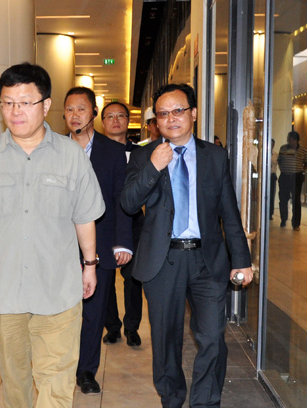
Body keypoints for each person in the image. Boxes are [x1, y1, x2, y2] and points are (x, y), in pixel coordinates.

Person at [0, 62, 105, 408]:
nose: (15, 111)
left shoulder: (72, 157)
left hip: (59, 292)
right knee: (15, 379)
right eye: (7, 103)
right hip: (5, 296)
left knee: (56, 381)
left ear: (46, 105)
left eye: (24, 102)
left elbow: (84, 218)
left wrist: (90, 265)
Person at [121, 83, 253, 408]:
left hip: (207, 261)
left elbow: (229, 212)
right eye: (163, 114)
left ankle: (205, 402)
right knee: (166, 340)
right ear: (156, 121)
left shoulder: (215, 156)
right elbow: (127, 203)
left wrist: (241, 259)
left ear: (193, 113)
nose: (171, 119)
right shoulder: (143, 156)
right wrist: (154, 167)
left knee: (212, 338)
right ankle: (172, 398)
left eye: (178, 110)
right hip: (163, 261)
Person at [62, 87, 132, 394]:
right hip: (59, 246)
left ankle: (86, 370)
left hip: (100, 244)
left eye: (81, 109)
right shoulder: (53, 148)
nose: (75, 115)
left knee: (93, 310)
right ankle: (62, 365)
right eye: (69, 110)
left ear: (93, 112)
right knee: (63, 311)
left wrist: (122, 242)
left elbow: (121, 200)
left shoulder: (113, 151)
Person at [100, 101, 145, 348]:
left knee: (133, 277)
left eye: (120, 116)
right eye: (110, 116)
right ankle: (112, 327)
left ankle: (132, 327)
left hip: (134, 221)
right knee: (105, 276)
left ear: (128, 121)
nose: (115, 120)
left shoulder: (140, 153)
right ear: (102, 122)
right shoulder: (95, 151)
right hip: (104, 221)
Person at [277, 130, 307, 231]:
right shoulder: (283, 148)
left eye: (290, 139)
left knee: (296, 201)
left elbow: (306, 162)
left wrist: (302, 171)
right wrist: (284, 169)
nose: (288, 141)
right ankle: (283, 219)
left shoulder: (303, 150)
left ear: (295, 140)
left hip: (296, 177)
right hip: (285, 177)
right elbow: (279, 160)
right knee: (283, 199)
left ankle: (296, 224)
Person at [270, 139, 278, 220]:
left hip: (272, 176)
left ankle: (270, 213)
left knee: (272, 195)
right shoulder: (263, 153)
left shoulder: (275, 154)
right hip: (266, 176)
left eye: (272, 144)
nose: (271, 145)